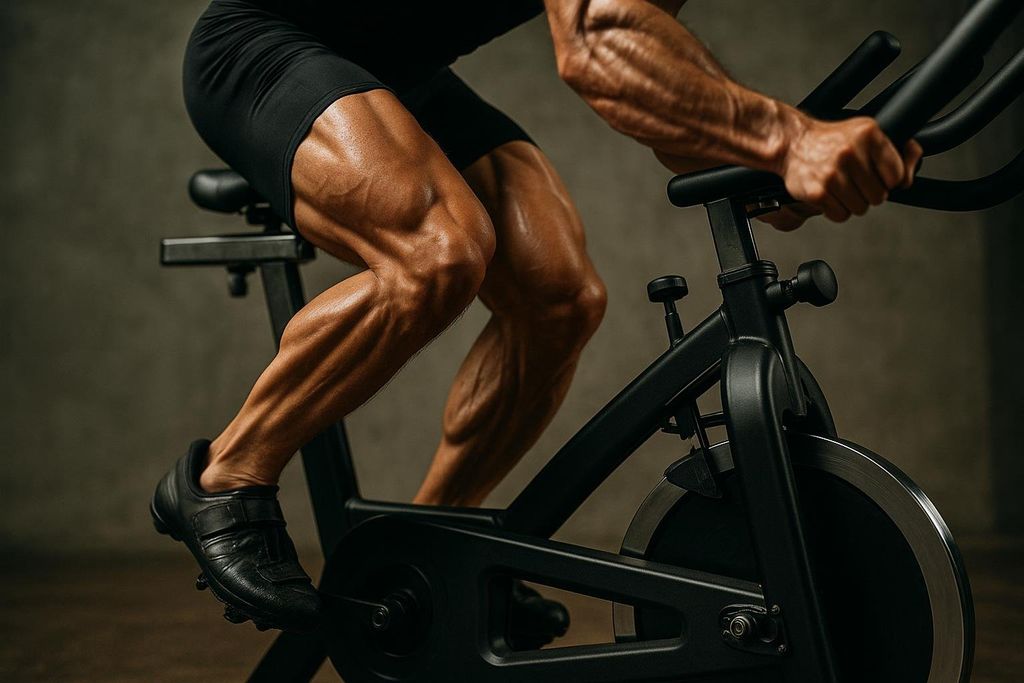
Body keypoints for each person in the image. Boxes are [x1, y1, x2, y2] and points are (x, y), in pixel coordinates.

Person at [151, 0, 923, 637]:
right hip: (263, 48)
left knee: (561, 298)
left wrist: (768, 164)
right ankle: (224, 477)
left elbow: (657, 84)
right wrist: (789, 138)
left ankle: (432, 554)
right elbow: (596, 39)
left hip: (397, 78)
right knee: (439, 254)